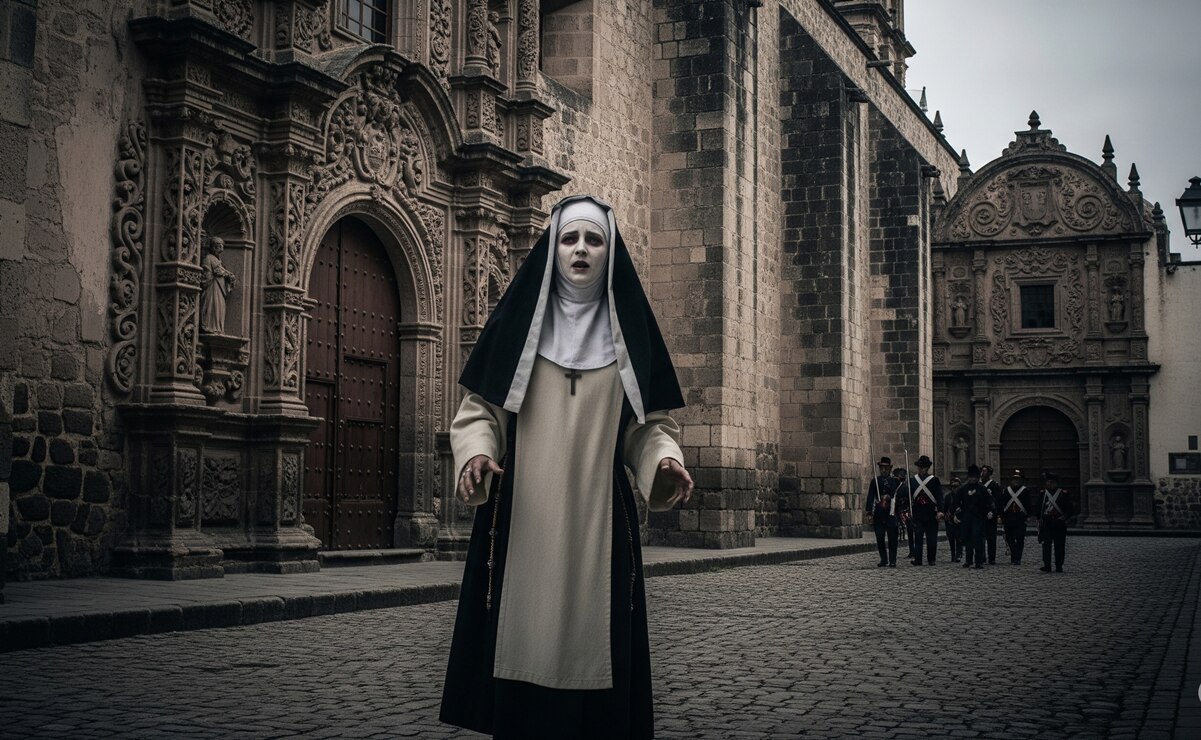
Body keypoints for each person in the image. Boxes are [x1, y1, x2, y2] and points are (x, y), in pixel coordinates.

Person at [439, 196, 694, 739]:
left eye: (594, 240)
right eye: (569, 239)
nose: (581, 249)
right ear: (553, 249)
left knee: (594, 645)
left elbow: (646, 428)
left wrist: (664, 460)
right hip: (524, 518)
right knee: (523, 638)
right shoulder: (521, 331)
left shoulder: (627, 339)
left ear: (609, 254)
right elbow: (481, 411)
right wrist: (478, 451)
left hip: (598, 522)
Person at [953, 464, 994, 570]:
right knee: (967, 540)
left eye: (974, 477)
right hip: (966, 517)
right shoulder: (963, 489)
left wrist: (990, 511)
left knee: (978, 539)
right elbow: (956, 502)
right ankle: (968, 560)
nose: (972, 479)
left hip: (979, 517)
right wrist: (951, 513)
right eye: (970, 477)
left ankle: (979, 561)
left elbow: (989, 502)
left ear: (977, 478)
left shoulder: (982, 489)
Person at [907, 455, 943, 566]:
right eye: (920, 467)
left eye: (924, 467)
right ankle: (918, 559)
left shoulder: (934, 480)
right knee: (918, 537)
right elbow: (909, 497)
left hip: (931, 512)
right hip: (918, 512)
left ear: (928, 468)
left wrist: (940, 511)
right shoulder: (912, 480)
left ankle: (931, 559)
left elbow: (939, 497)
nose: (921, 469)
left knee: (931, 538)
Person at [866, 456, 899, 567]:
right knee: (880, 537)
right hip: (879, 513)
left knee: (892, 538)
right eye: (881, 468)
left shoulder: (895, 481)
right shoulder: (874, 481)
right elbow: (870, 497)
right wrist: (869, 513)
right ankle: (883, 559)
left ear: (890, 468)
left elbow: (897, 496)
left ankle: (893, 560)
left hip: (891, 513)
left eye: (886, 468)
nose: (883, 470)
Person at [1038, 471, 1074, 573]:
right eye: (1047, 482)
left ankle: (1059, 566)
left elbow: (1070, 509)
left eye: (1051, 482)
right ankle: (1047, 565)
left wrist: (1064, 517)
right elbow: (1039, 507)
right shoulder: (1043, 494)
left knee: (1059, 546)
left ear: (1056, 483)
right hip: (1047, 523)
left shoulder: (1063, 494)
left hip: (1058, 523)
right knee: (1046, 545)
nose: (1049, 484)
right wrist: (1038, 519)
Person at [1000, 469, 1033, 566]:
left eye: (1018, 479)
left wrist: (1027, 515)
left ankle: (1017, 558)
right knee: (1010, 538)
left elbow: (1028, 504)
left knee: (1019, 538)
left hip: (1020, 517)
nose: (1015, 481)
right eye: (1014, 479)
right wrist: (1001, 515)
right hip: (1009, 517)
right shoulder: (1006, 490)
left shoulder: (1025, 491)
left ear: (1021, 480)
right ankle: (1014, 556)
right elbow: (1002, 503)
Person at [980, 464, 1003, 565]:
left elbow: (998, 500)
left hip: (991, 515)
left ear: (989, 473)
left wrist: (995, 513)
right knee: (980, 537)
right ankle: (982, 557)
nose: (982, 473)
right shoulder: (979, 485)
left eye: (984, 471)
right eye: (982, 471)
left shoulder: (994, 485)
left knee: (991, 538)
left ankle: (992, 558)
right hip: (980, 515)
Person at [943, 475, 962, 562]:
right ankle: (953, 555)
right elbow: (944, 508)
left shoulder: (962, 497)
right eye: (953, 486)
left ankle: (959, 554)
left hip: (959, 520)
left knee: (959, 538)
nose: (955, 488)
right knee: (951, 538)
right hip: (950, 521)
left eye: (957, 486)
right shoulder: (947, 497)